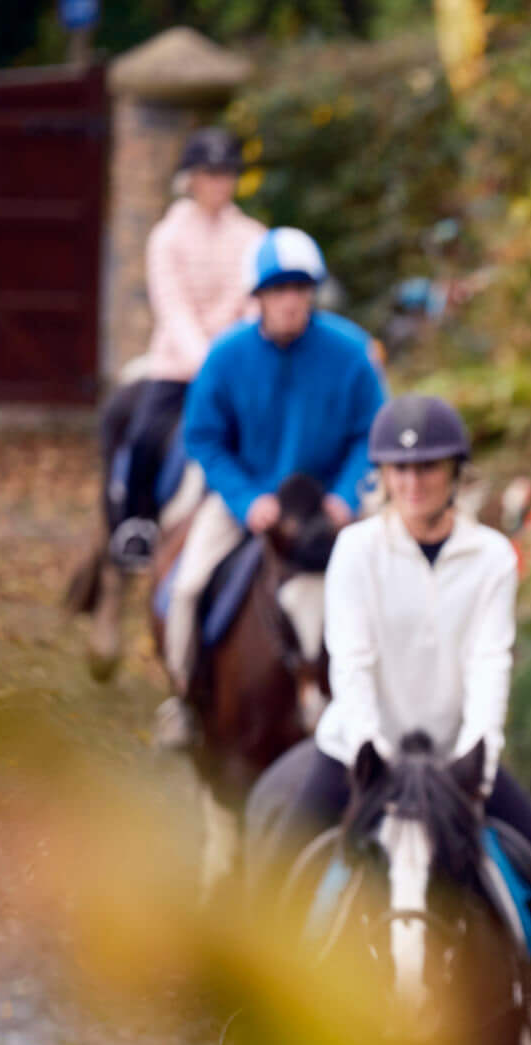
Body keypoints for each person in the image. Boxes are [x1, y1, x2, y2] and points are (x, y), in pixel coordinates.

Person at [244, 394, 531, 1045]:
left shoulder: (490, 557)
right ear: (381, 476)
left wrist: (478, 766)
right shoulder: (355, 550)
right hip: (359, 752)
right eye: (397, 471)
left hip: (454, 760)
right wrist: (373, 769)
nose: (412, 483)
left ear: (454, 474)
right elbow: (352, 662)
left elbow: (490, 663)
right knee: (278, 842)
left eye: (427, 469)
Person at [158, 227, 386, 748]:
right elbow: (204, 438)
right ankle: (185, 700)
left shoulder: (351, 353)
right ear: (256, 297)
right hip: (251, 499)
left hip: (331, 504)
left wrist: (346, 496)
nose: (291, 301)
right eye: (279, 290)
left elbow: (371, 434)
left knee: (392, 580)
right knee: (188, 587)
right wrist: (245, 499)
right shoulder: (226, 357)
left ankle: (394, 700)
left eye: (301, 289)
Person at [102, 125, 265, 569]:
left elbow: (252, 304)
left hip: (238, 365)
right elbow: (173, 309)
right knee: (146, 433)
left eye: (226, 174)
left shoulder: (252, 236)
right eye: (210, 174)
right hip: (179, 366)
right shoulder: (166, 237)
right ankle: (137, 523)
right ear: (191, 179)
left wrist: (233, 358)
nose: (219, 183)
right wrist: (206, 363)